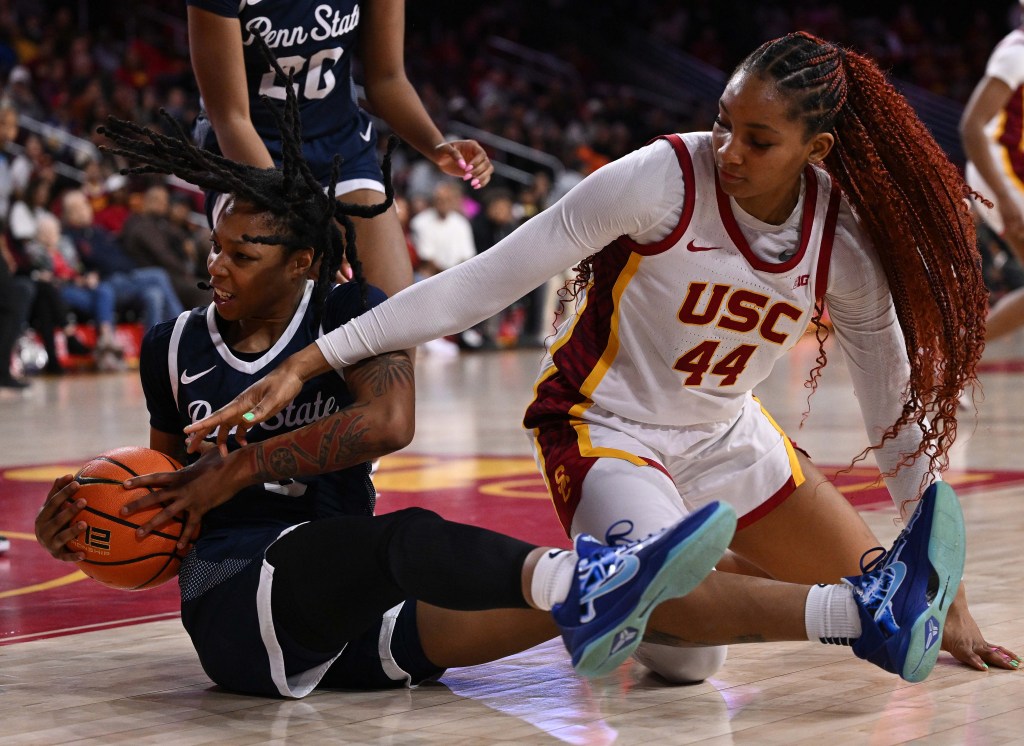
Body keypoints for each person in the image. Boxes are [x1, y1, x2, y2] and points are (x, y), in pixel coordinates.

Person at [186, 31, 1022, 681]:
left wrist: (941, 586)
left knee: (819, 604)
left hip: (729, 435)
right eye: (724, 121)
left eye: (758, 140)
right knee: (688, 651)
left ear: (818, 151)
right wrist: (315, 357)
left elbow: (895, 409)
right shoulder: (662, 178)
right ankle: (726, 592)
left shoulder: (843, 241)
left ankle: (695, 570)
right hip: (606, 427)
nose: (728, 150)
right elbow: (484, 281)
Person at [34, 101, 741, 697]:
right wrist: (85, 527)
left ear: (303, 262)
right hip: (240, 595)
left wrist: (242, 466)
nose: (217, 266)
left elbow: (389, 423)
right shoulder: (172, 346)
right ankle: (602, 578)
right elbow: (167, 498)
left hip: (358, 594)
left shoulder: (349, 317)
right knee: (416, 540)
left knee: (638, 608)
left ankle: (662, 590)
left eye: (242, 255)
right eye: (216, 247)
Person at [186, 0, 493, 301]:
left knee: (393, 312)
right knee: (277, 311)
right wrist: (301, 228)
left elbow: (387, 79)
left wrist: (436, 146)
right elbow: (231, 119)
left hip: (339, 145)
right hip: (251, 150)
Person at [959, 2, 1024, 383]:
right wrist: (1005, 196)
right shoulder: (1017, 53)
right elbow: (972, 127)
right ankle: (953, 356)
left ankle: (954, 356)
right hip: (1002, 178)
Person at [62, 189, 185, 331]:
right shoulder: (70, 238)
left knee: (154, 295)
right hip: (107, 283)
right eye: (80, 207)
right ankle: (182, 326)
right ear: (70, 213)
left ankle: (153, 342)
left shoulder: (97, 232)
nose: (86, 210)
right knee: (158, 275)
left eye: (85, 205)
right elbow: (79, 266)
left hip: (125, 277)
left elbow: (118, 256)